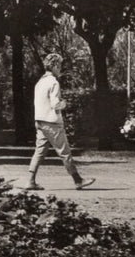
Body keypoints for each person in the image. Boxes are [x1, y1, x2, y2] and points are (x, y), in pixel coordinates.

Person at [21, 51, 95, 192]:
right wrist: (64, 103)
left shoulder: (40, 82)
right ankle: (78, 180)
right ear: (54, 65)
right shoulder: (54, 83)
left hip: (40, 122)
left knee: (39, 152)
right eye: (59, 65)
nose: (60, 68)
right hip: (52, 123)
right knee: (64, 152)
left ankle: (30, 180)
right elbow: (55, 104)